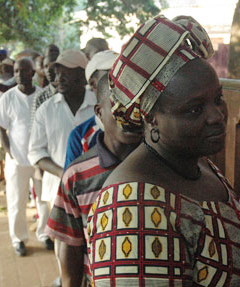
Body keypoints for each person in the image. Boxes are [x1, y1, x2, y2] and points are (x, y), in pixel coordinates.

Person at [85, 15, 240, 287]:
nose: (217, 116)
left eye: (218, 99)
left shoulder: (198, 165)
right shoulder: (130, 212)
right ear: (151, 118)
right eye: (194, 109)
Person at [46, 75, 142, 287]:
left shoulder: (160, 166)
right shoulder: (77, 175)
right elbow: (70, 245)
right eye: (118, 107)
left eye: (136, 106)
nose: (129, 116)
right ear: (99, 112)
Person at [0, 57, 52, 256]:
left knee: (43, 200)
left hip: (41, 160)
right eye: (16, 71)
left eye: (23, 71)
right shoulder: (8, 97)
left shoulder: (43, 95)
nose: (19, 74)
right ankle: (18, 239)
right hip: (17, 161)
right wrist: (10, 153)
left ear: (32, 73)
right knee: (16, 201)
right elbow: (1, 129)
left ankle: (44, 234)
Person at [28, 49, 96, 205]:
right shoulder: (46, 110)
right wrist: (63, 173)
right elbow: (36, 152)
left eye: (65, 74)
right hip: (57, 191)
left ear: (81, 76)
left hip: (95, 189)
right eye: (57, 74)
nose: (59, 79)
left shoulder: (98, 106)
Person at [63, 50, 119, 170]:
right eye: (112, 76)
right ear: (93, 84)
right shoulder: (80, 136)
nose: (120, 81)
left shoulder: (143, 125)